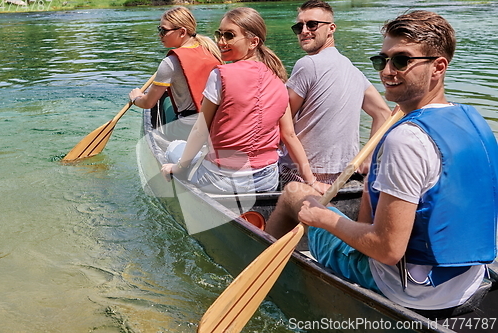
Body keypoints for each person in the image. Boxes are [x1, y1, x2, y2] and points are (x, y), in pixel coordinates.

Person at [266, 10, 498, 313]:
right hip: (464, 281)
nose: (387, 71)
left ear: (438, 67)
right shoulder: (475, 120)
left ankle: (263, 269)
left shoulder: (406, 140)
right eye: (382, 60)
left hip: (408, 289)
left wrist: (322, 217)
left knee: (295, 195)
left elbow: (387, 249)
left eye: (401, 60)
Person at [160, 7, 315, 195]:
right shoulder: (279, 81)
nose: (220, 41)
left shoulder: (220, 75)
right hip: (267, 179)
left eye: (229, 35)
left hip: (222, 180)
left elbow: (201, 130)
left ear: (253, 42)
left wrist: (178, 168)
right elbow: (289, 136)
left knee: (173, 147)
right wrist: (311, 180)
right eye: (219, 34)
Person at [278, 0, 391, 191]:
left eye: (312, 24)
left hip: (301, 174)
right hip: (344, 175)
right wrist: (367, 159)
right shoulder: (353, 70)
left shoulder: (307, 64)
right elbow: (384, 113)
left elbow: (280, 123)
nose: (304, 30)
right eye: (299, 26)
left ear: (331, 28)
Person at [129, 6, 222, 141]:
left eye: (163, 31)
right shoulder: (210, 48)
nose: (159, 35)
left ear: (182, 32)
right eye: (159, 29)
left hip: (190, 127)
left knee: (156, 130)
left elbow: (148, 103)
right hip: (215, 123)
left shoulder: (170, 63)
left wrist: (136, 98)